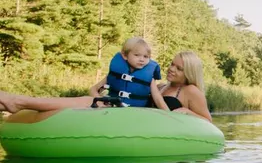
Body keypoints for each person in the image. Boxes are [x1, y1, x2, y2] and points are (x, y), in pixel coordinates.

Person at [0, 44, 212, 123]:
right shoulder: (161, 86)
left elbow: (209, 123)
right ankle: (18, 103)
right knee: (87, 100)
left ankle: (18, 101)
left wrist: (186, 111)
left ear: (189, 73)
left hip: (139, 124)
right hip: (128, 116)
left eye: (178, 68)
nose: (171, 69)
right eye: (172, 64)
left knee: (86, 101)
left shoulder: (191, 91)